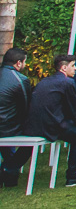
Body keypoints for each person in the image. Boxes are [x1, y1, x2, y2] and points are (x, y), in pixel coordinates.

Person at [22, 55, 76, 187]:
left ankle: (9, 168)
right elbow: (73, 108)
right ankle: (72, 177)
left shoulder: (44, 81)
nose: (75, 69)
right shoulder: (67, 82)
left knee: (73, 126)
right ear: (64, 68)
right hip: (50, 126)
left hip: (33, 125)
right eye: (73, 65)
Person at [0, 48, 33, 187]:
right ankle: (8, 169)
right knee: (31, 141)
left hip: (6, 124)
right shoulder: (20, 80)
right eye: (25, 62)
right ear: (18, 63)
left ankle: (9, 173)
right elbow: (26, 106)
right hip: (7, 126)